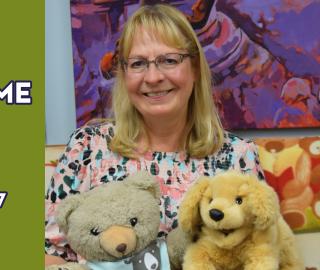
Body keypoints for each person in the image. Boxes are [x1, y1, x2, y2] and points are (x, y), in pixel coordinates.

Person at [45, 4, 264, 266]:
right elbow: (50, 253)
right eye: (138, 63)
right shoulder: (88, 147)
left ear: (194, 68)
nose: (153, 77)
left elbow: (260, 254)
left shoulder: (240, 158)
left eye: (169, 60)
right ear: (124, 74)